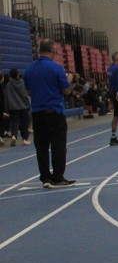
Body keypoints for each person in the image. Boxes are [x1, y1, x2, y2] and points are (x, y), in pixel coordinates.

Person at [23, 40, 75, 187]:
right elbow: (66, 91)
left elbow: (28, 90)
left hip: (37, 112)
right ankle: (57, 177)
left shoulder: (30, 69)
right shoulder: (56, 68)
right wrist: (71, 82)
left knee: (41, 147)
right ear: (52, 51)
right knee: (58, 145)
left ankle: (45, 177)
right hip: (54, 111)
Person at [3, 68, 31, 146]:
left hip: (13, 107)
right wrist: (28, 105)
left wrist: (6, 109)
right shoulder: (22, 83)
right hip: (23, 106)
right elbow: (25, 95)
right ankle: (24, 139)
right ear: (17, 75)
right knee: (24, 123)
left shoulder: (8, 85)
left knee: (14, 122)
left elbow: (6, 97)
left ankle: (14, 136)